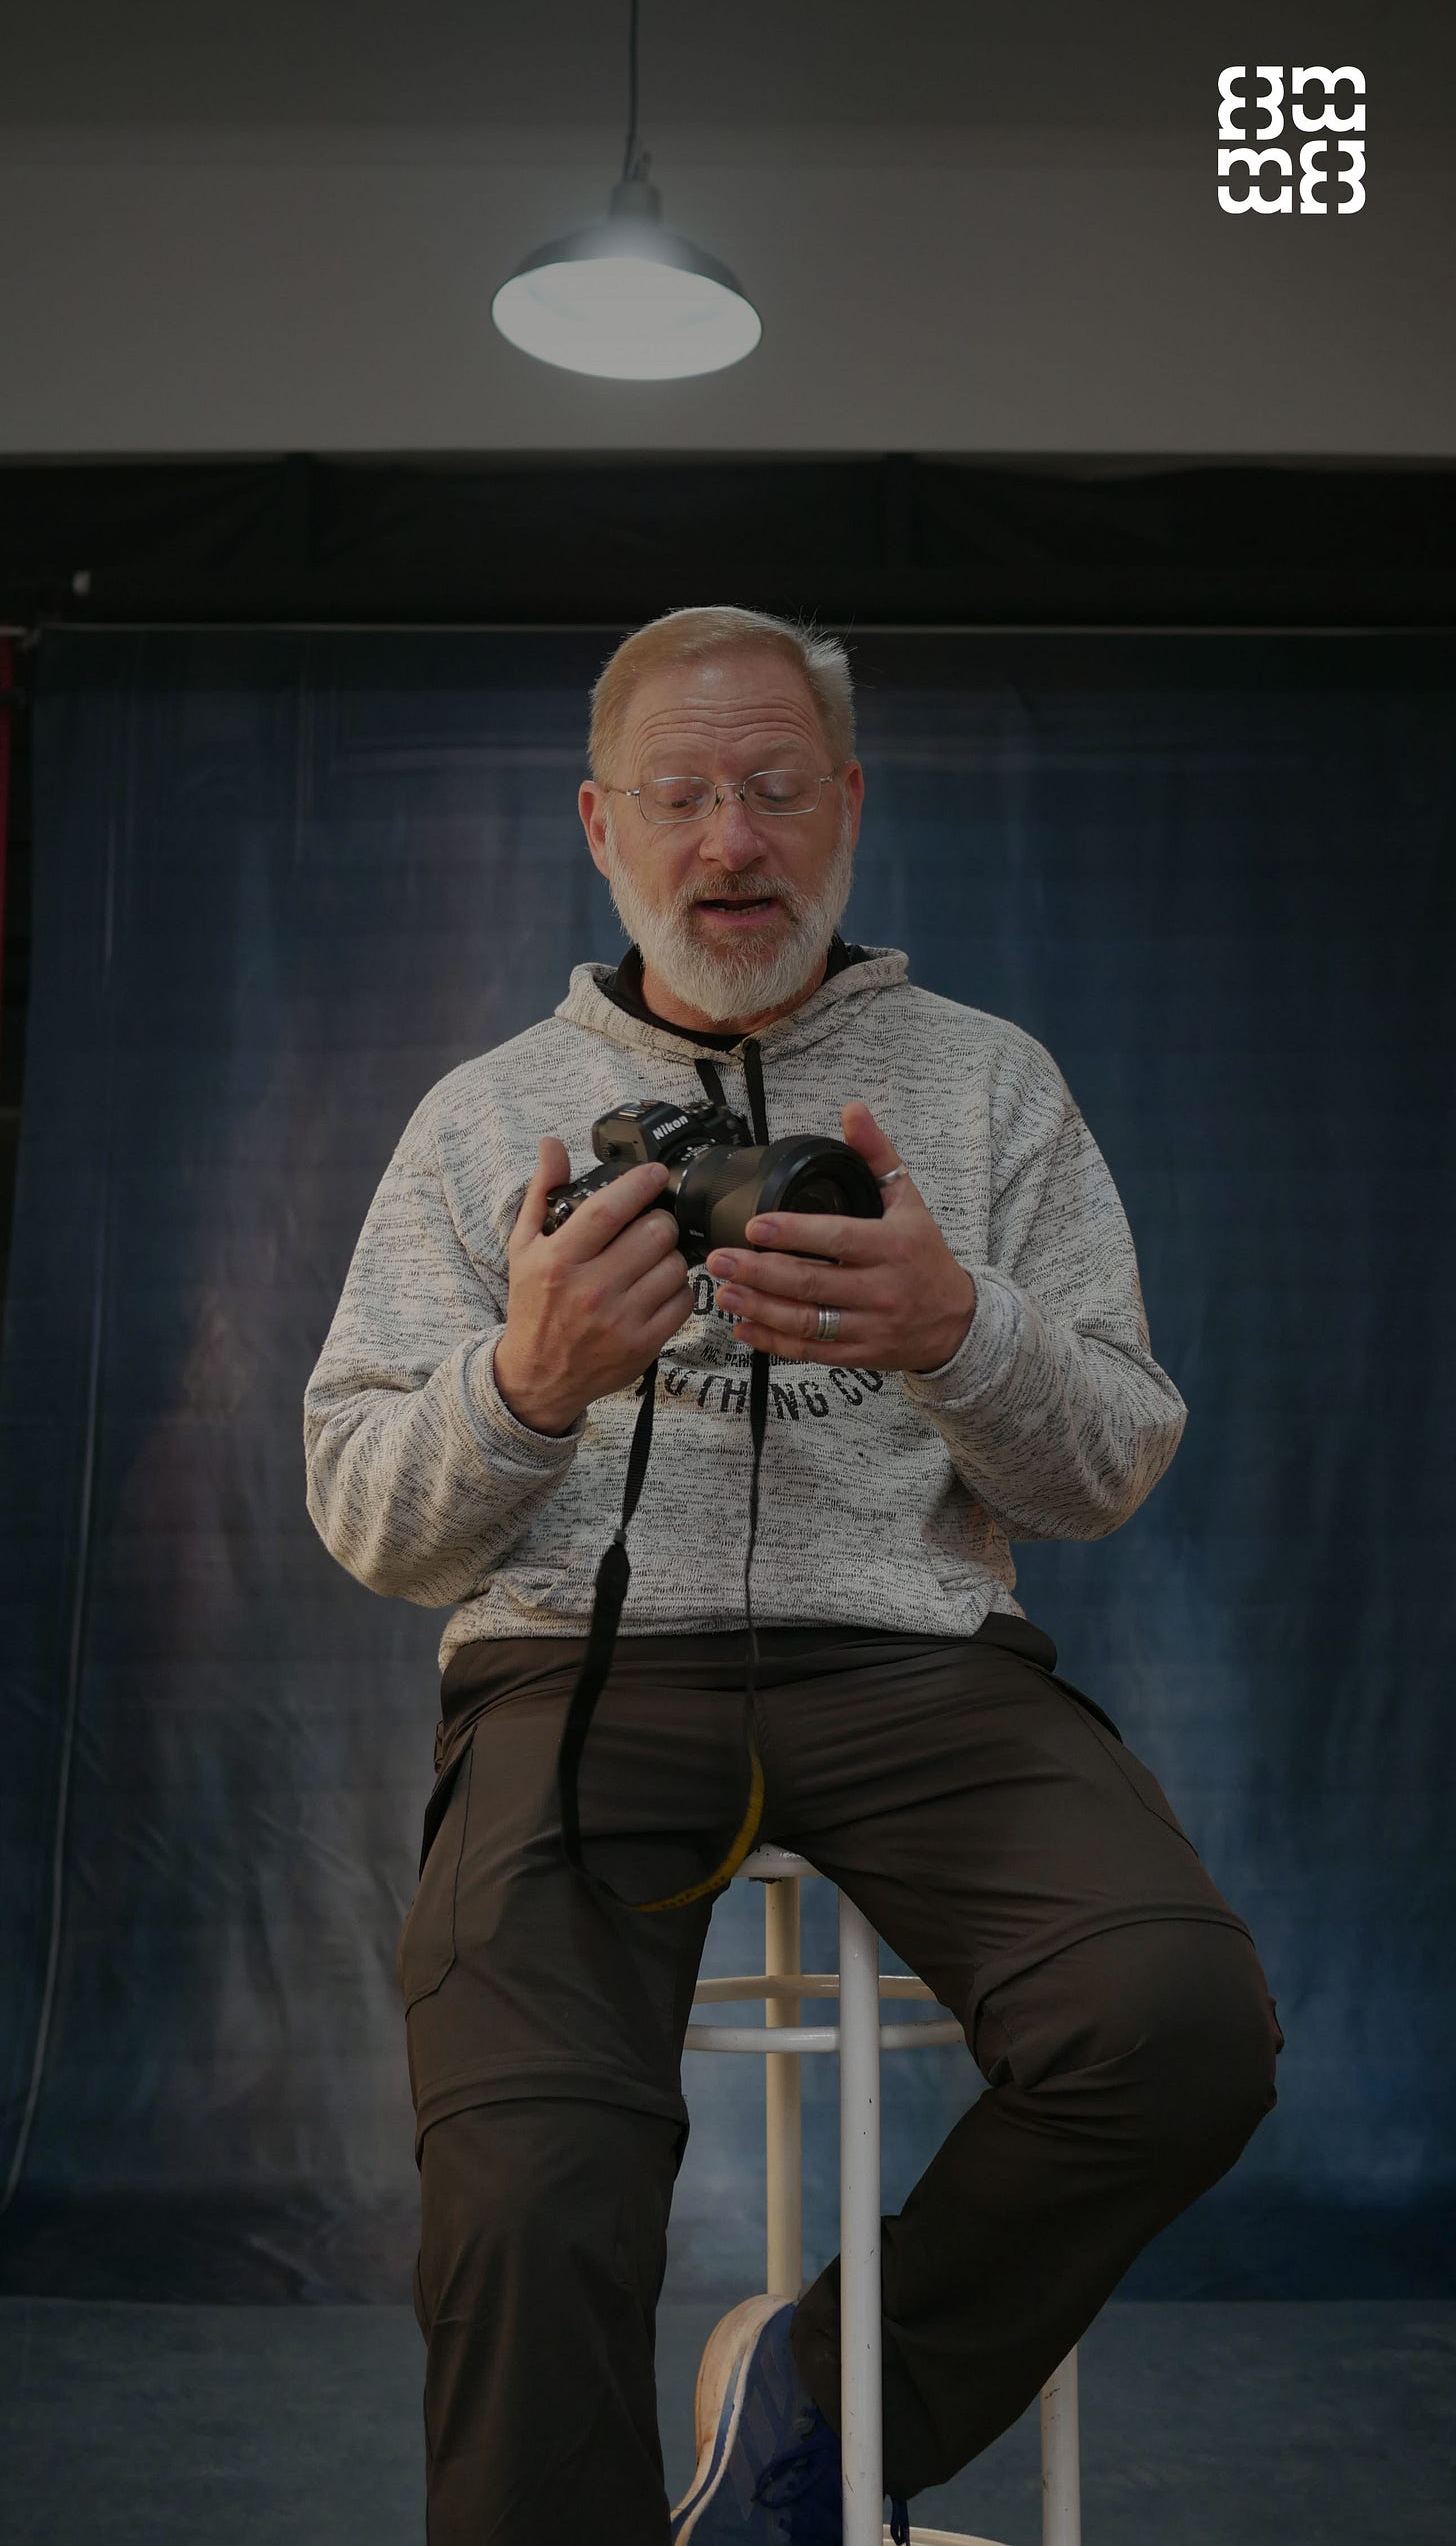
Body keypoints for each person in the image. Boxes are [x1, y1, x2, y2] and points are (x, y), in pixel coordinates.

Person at [303, 605, 1284, 2546]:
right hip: (573, 1677)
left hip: (924, 1670)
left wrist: (957, 1333)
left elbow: (1109, 1460)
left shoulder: (988, 1087)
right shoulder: (480, 1118)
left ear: (847, 805)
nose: (729, 841)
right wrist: (524, 1386)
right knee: (524, 2188)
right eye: (679, 794)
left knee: (1176, 2025)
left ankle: (818, 2416)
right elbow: (362, 1511)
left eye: (771, 789)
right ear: (601, 825)